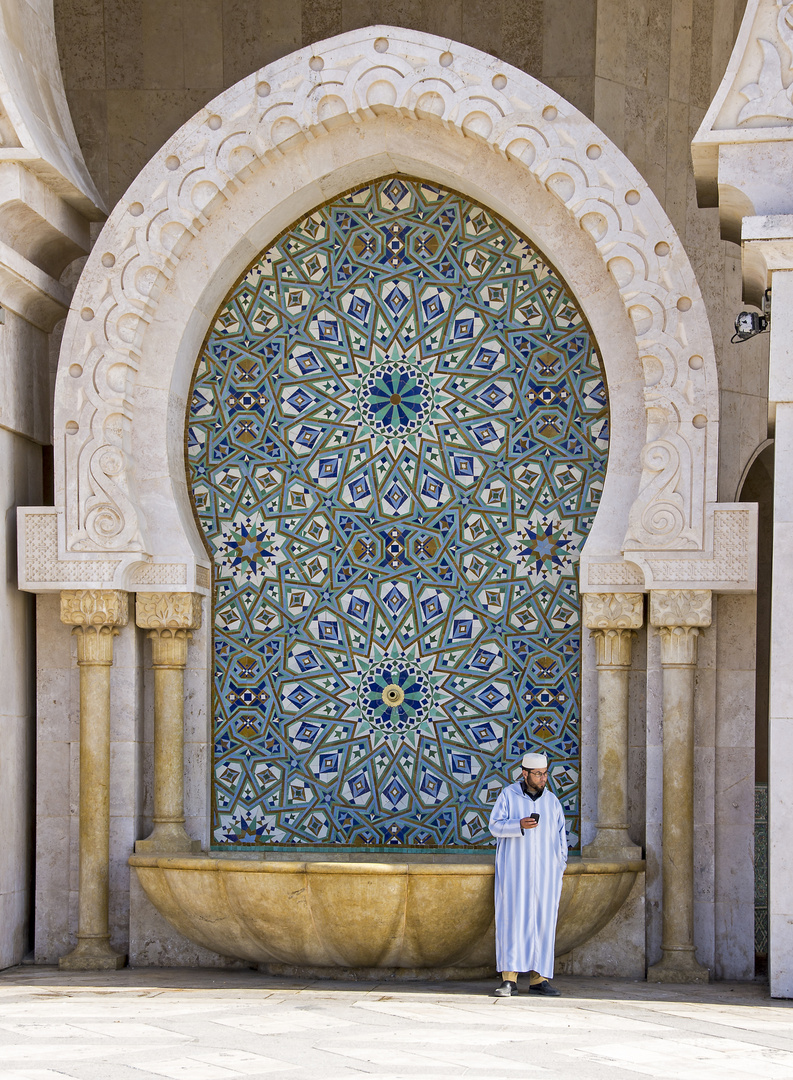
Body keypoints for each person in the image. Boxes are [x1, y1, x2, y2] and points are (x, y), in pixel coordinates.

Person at [488, 752, 567, 997]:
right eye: (538, 774)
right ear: (525, 774)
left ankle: (538, 979)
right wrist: (517, 825)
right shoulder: (508, 796)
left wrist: (558, 866)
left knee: (542, 923)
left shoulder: (552, 801)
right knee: (513, 921)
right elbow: (494, 826)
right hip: (515, 873)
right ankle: (509, 980)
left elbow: (561, 837)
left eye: (545, 774)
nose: (543, 778)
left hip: (546, 876)